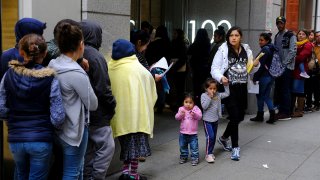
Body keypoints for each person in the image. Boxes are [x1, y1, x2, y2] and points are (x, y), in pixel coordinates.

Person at [0, 34, 65, 180]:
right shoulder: (50, 78)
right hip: (41, 140)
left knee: (20, 174)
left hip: (16, 139)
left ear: (21, 52)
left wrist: (13, 121)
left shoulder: (8, 75)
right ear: (45, 53)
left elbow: (1, 109)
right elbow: (58, 118)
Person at [48, 21, 98, 179]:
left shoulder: (53, 64)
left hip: (58, 128)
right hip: (73, 131)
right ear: (80, 44)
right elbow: (93, 104)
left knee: (73, 169)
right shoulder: (76, 73)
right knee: (72, 172)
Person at [108, 39, 157, 180]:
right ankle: (133, 175)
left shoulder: (109, 67)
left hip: (119, 118)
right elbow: (152, 92)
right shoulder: (139, 70)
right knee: (135, 150)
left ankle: (125, 173)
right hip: (138, 117)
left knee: (125, 148)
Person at [211, 26, 260, 161]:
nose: (233, 38)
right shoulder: (223, 50)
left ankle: (223, 138)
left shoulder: (246, 50)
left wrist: (255, 65)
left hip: (242, 88)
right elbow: (214, 69)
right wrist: (221, 78)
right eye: (231, 35)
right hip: (228, 88)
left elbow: (250, 70)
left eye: (236, 35)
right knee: (234, 116)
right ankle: (235, 147)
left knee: (239, 117)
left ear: (241, 37)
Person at [80, 20, 117, 180]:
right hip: (99, 113)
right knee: (107, 147)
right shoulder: (96, 56)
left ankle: (88, 176)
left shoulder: (78, 54)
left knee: (88, 150)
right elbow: (103, 88)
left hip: (82, 113)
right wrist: (112, 107)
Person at [273, 16, 297, 120]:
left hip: (287, 67)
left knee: (285, 89)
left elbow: (293, 51)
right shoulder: (277, 35)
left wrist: (284, 63)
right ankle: (281, 110)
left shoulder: (290, 35)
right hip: (278, 68)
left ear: (285, 23)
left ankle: (286, 112)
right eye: (278, 23)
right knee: (279, 89)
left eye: (281, 23)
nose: (279, 25)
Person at [250, 33, 277, 124]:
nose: (259, 42)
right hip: (270, 76)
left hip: (264, 77)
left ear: (267, 41)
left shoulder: (265, 49)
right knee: (266, 96)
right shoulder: (271, 48)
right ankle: (272, 115)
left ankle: (260, 115)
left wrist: (255, 77)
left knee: (260, 96)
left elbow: (260, 66)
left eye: (262, 40)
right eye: (259, 40)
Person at [201, 78, 229, 163]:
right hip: (207, 121)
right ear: (206, 88)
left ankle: (210, 152)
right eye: (210, 88)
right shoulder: (204, 96)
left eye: (214, 88)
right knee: (210, 137)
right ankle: (208, 154)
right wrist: (209, 97)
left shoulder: (218, 95)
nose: (212, 90)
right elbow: (204, 107)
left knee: (213, 137)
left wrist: (226, 85)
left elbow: (227, 93)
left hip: (215, 120)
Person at [145, 25, 171, 113]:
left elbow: (148, 56)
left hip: (153, 66)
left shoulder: (153, 43)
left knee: (154, 85)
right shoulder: (167, 43)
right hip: (164, 67)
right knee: (162, 85)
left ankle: (154, 104)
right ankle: (161, 105)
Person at [175, 93, 202, 166]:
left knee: (194, 147)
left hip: (193, 133)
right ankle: (184, 156)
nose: (188, 104)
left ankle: (195, 158)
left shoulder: (196, 109)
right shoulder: (181, 109)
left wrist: (195, 114)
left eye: (190, 102)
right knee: (182, 146)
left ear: (194, 103)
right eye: (186, 102)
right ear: (183, 102)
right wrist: (181, 114)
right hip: (183, 133)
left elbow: (199, 117)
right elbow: (177, 117)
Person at [291, 30, 313, 117]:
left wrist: (291, 58)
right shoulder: (297, 43)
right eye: (299, 34)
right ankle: (293, 109)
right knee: (294, 90)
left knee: (299, 90)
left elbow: (301, 57)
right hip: (294, 69)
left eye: (303, 34)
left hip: (301, 71)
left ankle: (300, 111)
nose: (300, 35)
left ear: (306, 36)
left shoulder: (307, 44)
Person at [188, 29, 211, 107]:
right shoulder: (208, 44)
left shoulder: (195, 44)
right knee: (205, 87)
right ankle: (205, 104)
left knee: (196, 88)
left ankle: (197, 104)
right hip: (205, 69)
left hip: (196, 69)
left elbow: (188, 52)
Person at [169, 29, 188, 112]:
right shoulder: (176, 42)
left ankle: (178, 104)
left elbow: (183, 58)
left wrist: (174, 67)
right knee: (177, 87)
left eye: (175, 33)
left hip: (176, 67)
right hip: (177, 68)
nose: (173, 34)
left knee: (178, 88)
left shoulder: (180, 44)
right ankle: (176, 104)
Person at [306, 31, 320, 111]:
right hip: (314, 70)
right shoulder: (312, 46)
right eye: (317, 36)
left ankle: (317, 104)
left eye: (319, 36)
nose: (318, 37)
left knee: (318, 89)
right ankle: (310, 104)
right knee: (312, 88)